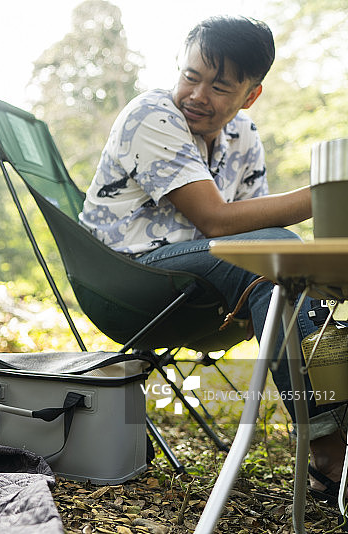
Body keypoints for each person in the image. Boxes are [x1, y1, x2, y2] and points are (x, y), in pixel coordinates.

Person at [81, 15, 345, 503]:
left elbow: (256, 229)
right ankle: (332, 453)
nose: (198, 95)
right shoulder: (152, 116)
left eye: (219, 86)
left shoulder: (244, 135)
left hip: (205, 286)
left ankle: (334, 436)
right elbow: (218, 222)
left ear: (250, 95)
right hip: (130, 279)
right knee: (281, 259)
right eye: (190, 76)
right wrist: (328, 195)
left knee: (299, 267)